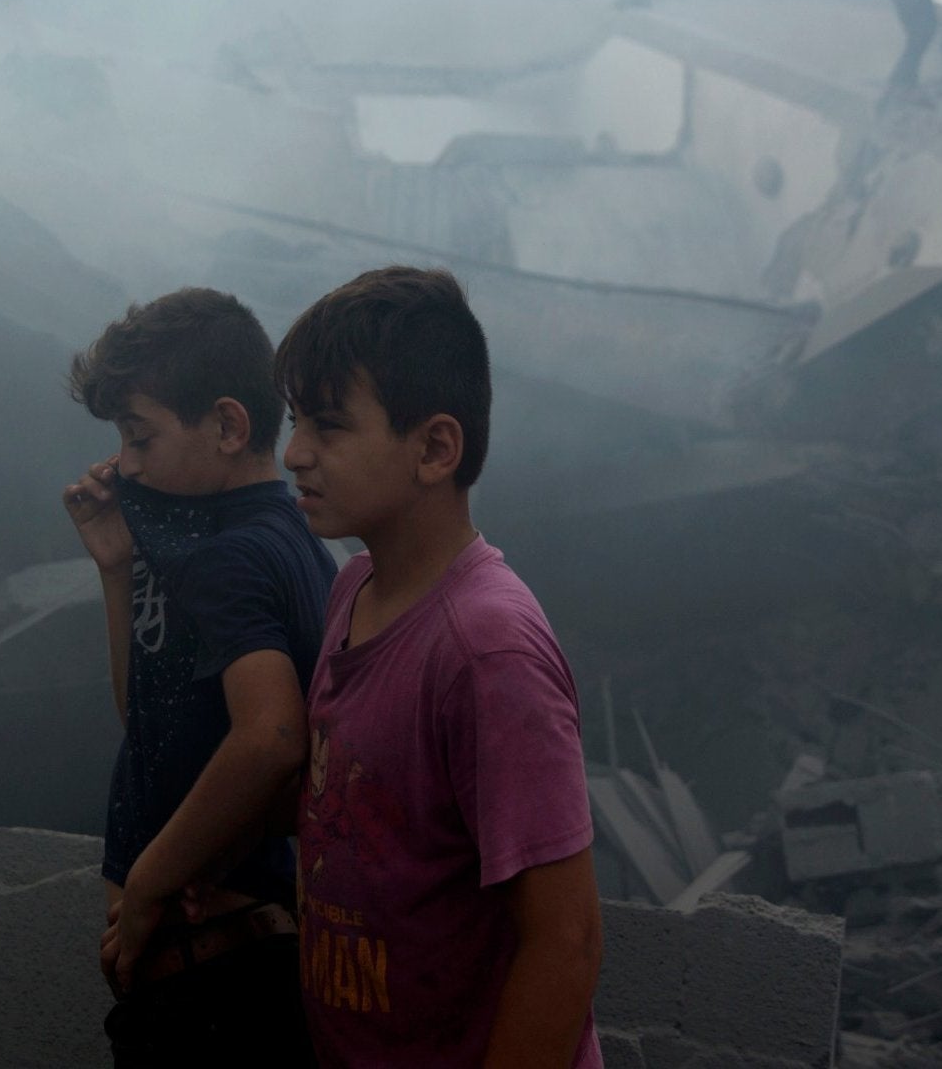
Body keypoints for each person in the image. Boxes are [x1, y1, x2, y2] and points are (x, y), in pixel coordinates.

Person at [276, 267, 604, 1067]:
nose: (294, 455)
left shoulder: (486, 651)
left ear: (433, 447)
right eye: (294, 421)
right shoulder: (353, 588)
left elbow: (567, 940)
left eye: (328, 426)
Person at [63, 288, 337, 1066]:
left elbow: (273, 735)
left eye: (141, 436)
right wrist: (119, 570)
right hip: (220, 973)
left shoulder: (230, 559)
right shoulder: (264, 544)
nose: (126, 463)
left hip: (217, 986)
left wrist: (149, 884)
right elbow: (149, 718)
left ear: (226, 425)